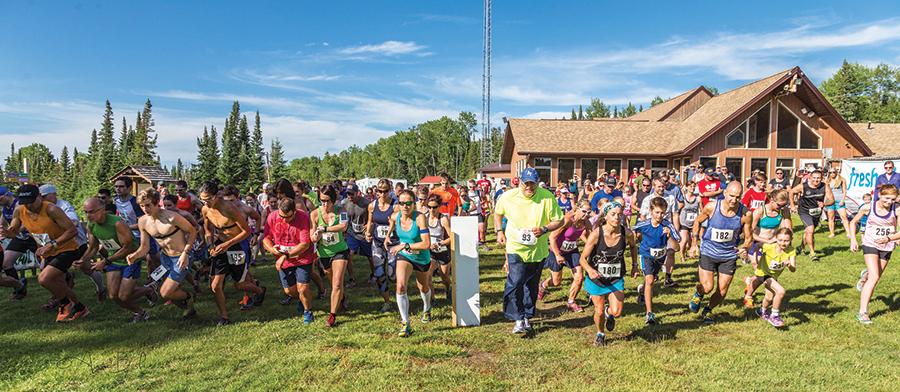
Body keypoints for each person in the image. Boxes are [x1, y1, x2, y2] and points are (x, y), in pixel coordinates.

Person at [0, 184, 89, 322]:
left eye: (31, 201)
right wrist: (7, 233)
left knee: (43, 278)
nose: (28, 206)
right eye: (25, 203)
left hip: (66, 248)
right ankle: (80, 308)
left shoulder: (52, 209)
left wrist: (51, 244)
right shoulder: (19, 211)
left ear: (39, 196)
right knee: (59, 285)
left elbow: (72, 231)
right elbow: (13, 232)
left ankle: (65, 303)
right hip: (47, 251)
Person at [494, 168, 565, 334]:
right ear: (520, 181)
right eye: (526, 183)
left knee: (531, 286)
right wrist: (498, 231)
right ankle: (517, 318)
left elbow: (559, 220)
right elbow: (497, 213)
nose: (529, 187)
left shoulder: (547, 197)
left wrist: (544, 229)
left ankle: (527, 316)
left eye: (532, 183)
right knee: (516, 281)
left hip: (537, 251)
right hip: (515, 248)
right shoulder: (508, 197)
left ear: (537, 182)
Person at [78, 197, 158, 323]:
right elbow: (93, 247)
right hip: (114, 261)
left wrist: (105, 261)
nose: (88, 215)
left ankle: (149, 289)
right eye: (86, 212)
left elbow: (127, 248)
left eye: (92, 212)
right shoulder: (91, 225)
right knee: (114, 296)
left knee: (124, 296)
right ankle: (140, 312)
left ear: (102, 210)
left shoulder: (117, 223)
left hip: (130, 259)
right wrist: (82, 260)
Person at [198, 181, 266, 326]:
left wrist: (227, 244)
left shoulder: (230, 209)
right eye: (202, 200)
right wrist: (210, 244)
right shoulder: (205, 210)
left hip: (237, 247)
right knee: (215, 286)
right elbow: (208, 230)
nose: (206, 203)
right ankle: (224, 317)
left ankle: (259, 291)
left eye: (209, 199)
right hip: (220, 247)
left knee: (239, 285)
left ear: (217, 195)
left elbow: (246, 231)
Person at [128, 188, 199, 321]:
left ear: (156, 203)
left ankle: (189, 297)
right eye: (142, 206)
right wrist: (135, 255)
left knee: (166, 292)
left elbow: (193, 231)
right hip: (165, 258)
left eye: (148, 205)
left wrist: (185, 252)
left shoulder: (172, 217)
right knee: (169, 293)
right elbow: (144, 247)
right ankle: (188, 310)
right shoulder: (143, 221)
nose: (145, 209)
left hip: (181, 257)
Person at [688, 181, 752, 325]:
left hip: (728, 255)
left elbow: (749, 237)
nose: (734, 200)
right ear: (724, 193)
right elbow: (697, 222)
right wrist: (693, 244)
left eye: (737, 197)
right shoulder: (712, 207)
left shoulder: (745, 213)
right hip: (708, 251)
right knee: (707, 287)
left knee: (722, 292)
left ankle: (708, 309)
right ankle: (698, 294)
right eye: (731, 196)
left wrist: (745, 249)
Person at [579, 201, 637, 346]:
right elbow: (582, 259)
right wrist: (590, 270)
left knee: (617, 312)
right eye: (613, 214)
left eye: (619, 214)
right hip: (596, 278)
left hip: (615, 278)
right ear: (606, 215)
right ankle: (600, 333)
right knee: (597, 312)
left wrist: (635, 266)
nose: (617, 217)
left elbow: (633, 247)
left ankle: (608, 312)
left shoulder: (627, 233)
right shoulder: (596, 234)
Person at [39, 185, 107, 302]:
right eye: (41, 197)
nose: (42, 199)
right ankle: (61, 298)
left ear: (54, 194)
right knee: (47, 272)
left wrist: (56, 221)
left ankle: (101, 289)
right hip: (56, 245)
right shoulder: (41, 209)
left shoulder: (63, 206)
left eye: (45, 196)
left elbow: (75, 223)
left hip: (76, 243)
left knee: (87, 269)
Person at [849, 184, 900, 324]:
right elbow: (853, 222)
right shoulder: (868, 207)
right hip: (870, 243)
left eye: (893, 199)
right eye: (887, 198)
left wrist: (889, 239)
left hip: (887, 245)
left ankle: (864, 275)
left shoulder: (897, 209)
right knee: (875, 277)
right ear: (880, 195)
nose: (889, 202)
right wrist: (853, 240)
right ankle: (862, 312)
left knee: (874, 276)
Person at [384, 189, 433, 337]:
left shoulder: (420, 218)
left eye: (408, 203)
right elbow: (391, 221)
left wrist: (404, 245)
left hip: (421, 257)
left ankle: (427, 307)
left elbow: (426, 244)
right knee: (400, 286)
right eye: (402, 203)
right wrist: (387, 236)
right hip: (405, 256)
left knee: (423, 287)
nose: (405, 206)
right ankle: (405, 323)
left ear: (414, 204)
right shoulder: (395, 216)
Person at [263, 197, 317, 323]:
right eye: (282, 216)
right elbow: (266, 238)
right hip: (284, 260)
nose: (284, 219)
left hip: (302, 257)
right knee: (290, 291)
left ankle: (308, 311)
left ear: (295, 211)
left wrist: (284, 256)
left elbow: (305, 244)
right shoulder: (272, 216)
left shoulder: (302, 216)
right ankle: (300, 298)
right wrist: (272, 249)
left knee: (302, 288)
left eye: (288, 217)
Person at [632, 197, 681, 324]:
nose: (660, 215)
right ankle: (649, 313)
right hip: (646, 255)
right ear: (651, 211)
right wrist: (636, 238)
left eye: (663, 213)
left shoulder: (668, 226)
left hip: (660, 258)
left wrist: (670, 236)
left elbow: (677, 248)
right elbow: (633, 229)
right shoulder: (644, 224)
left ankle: (642, 291)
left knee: (650, 282)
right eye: (657, 212)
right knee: (649, 280)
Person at [309, 183, 351, 327]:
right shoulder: (314, 214)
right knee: (334, 283)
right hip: (324, 253)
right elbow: (312, 236)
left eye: (327, 200)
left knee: (337, 282)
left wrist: (325, 229)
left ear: (333, 200)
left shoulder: (342, 211)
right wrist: (315, 236)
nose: (325, 203)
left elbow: (343, 227)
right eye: (322, 200)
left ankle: (332, 315)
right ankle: (342, 298)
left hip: (340, 251)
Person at [539, 199, 591, 311]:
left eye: (589, 212)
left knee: (579, 277)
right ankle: (543, 284)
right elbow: (552, 237)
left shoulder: (586, 223)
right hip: (556, 251)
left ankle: (571, 301)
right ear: (577, 209)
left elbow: (592, 238)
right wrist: (557, 255)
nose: (586, 214)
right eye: (584, 211)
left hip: (572, 251)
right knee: (556, 282)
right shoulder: (568, 219)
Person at [742, 189, 790, 308]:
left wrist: (785, 243)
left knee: (766, 274)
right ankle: (753, 297)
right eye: (780, 205)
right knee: (763, 274)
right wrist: (767, 241)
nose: (782, 207)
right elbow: (750, 233)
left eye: (785, 205)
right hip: (757, 246)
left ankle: (749, 282)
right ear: (772, 201)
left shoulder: (783, 211)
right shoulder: (759, 211)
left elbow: (787, 230)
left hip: (773, 247)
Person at [113, 176, 161, 282]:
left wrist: (125, 227)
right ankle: (131, 282)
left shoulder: (136, 203)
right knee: (130, 259)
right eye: (116, 186)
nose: (118, 189)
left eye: (121, 186)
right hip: (127, 236)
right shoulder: (116, 199)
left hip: (142, 235)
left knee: (156, 261)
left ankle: (160, 277)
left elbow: (142, 223)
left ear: (129, 187)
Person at [747, 227, 797, 327]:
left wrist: (789, 265)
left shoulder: (791, 250)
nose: (783, 243)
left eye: (786, 241)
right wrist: (755, 259)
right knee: (781, 291)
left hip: (773, 276)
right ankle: (774, 316)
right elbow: (757, 245)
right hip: (763, 273)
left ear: (791, 239)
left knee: (769, 298)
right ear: (775, 239)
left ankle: (761, 310)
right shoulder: (769, 247)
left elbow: (793, 269)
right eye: (780, 240)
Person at [639, 178, 681, 287]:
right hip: (652, 231)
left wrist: (675, 232)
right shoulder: (647, 199)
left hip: (667, 229)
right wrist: (647, 231)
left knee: (671, 252)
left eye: (663, 186)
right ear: (654, 186)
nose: (661, 188)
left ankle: (668, 278)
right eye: (659, 186)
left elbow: (675, 215)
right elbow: (642, 216)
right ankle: (652, 274)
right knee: (654, 255)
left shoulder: (671, 198)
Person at [365, 179, 398, 313]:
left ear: (390, 191)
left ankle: (401, 294)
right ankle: (387, 302)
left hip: (393, 243)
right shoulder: (372, 205)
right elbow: (371, 222)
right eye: (380, 191)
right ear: (376, 191)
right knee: (380, 274)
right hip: (378, 243)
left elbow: (399, 222)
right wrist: (368, 233)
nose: (382, 194)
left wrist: (392, 226)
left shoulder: (395, 205)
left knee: (392, 276)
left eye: (385, 191)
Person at [0, 185, 38, 298]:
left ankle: (67, 276)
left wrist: (10, 232)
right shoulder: (4, 208)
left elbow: (25, 224)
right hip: (20, 238)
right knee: (6, 264)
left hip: (32, 237)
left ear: (6, 195)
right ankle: (19, 288)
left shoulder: (19, 204)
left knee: (46, 266)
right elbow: (1, 224)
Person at [789, 169, 833, 260]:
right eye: (814, 178)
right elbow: (791, 192)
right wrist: (793, 205)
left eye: (818, 178)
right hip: (804, 211)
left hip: (816, 212)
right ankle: (812, 253)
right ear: (810, 178)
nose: (816, 180)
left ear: (822, 178)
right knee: (811, 230)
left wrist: (824, 204)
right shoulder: (803, 186)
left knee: (808, 232)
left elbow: (832, 200)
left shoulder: (825, 187)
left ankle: (800, 248)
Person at [343, 183, 373, 287]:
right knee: (349, 255)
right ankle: (351, 279)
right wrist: (344, 231)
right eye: (348, 194)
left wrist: (369, 224)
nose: (350, 196)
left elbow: (373, 216)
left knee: (370, 257)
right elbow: (342, 218)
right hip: (352, 233)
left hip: (365, 234)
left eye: (352, 194)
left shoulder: (366, 203)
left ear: (357, 193)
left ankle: (373, 274)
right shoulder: (344, 203)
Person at [424, 194, 453, 302]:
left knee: (444, 277)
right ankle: (432, 298)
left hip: (443, 250)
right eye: (429, 207)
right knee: (428, 276)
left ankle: (448, 289)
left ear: (439, 206)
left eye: (434, 207)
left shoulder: (443, 219)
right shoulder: (424, 218)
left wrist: (440, 244)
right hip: (429, 251)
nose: (432, 210)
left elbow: (451, 238)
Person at [825, 168, 851, 238]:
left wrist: (842, 200)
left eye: (834, 172)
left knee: (844, 217)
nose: (832, 174)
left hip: (839, 200)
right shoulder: (827, 182)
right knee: (831, 217)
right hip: (830, 201)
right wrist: (825, 202)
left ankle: (848, 233)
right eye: (830, 172)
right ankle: (832, 232)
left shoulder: (842, 180)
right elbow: (826, 193)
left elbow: (844, 191)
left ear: (836, 172)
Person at [679, 181, 700, 263]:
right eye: (690, 186)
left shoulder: (698, 198)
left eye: (694, 186)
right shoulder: (683, 198)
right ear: (686, 187)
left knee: (690, 243)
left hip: (694, 223)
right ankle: (682, 257)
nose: (692, 188)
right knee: (684, 240)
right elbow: (678, 210)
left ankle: (685, 251)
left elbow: (701, 210)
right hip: (684, 222)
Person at [467, 179, 489, 250]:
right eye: (470, 187)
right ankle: (471, 244)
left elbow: (485, 198)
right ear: (468, 186)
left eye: (473, 186)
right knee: (471, 231)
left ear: (476, 186)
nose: (472, 188)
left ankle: (483, 243)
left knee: (482, 230)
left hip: (478, 213)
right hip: (470, 214)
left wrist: (481, 204)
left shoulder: (479, 192)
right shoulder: (467, 193)